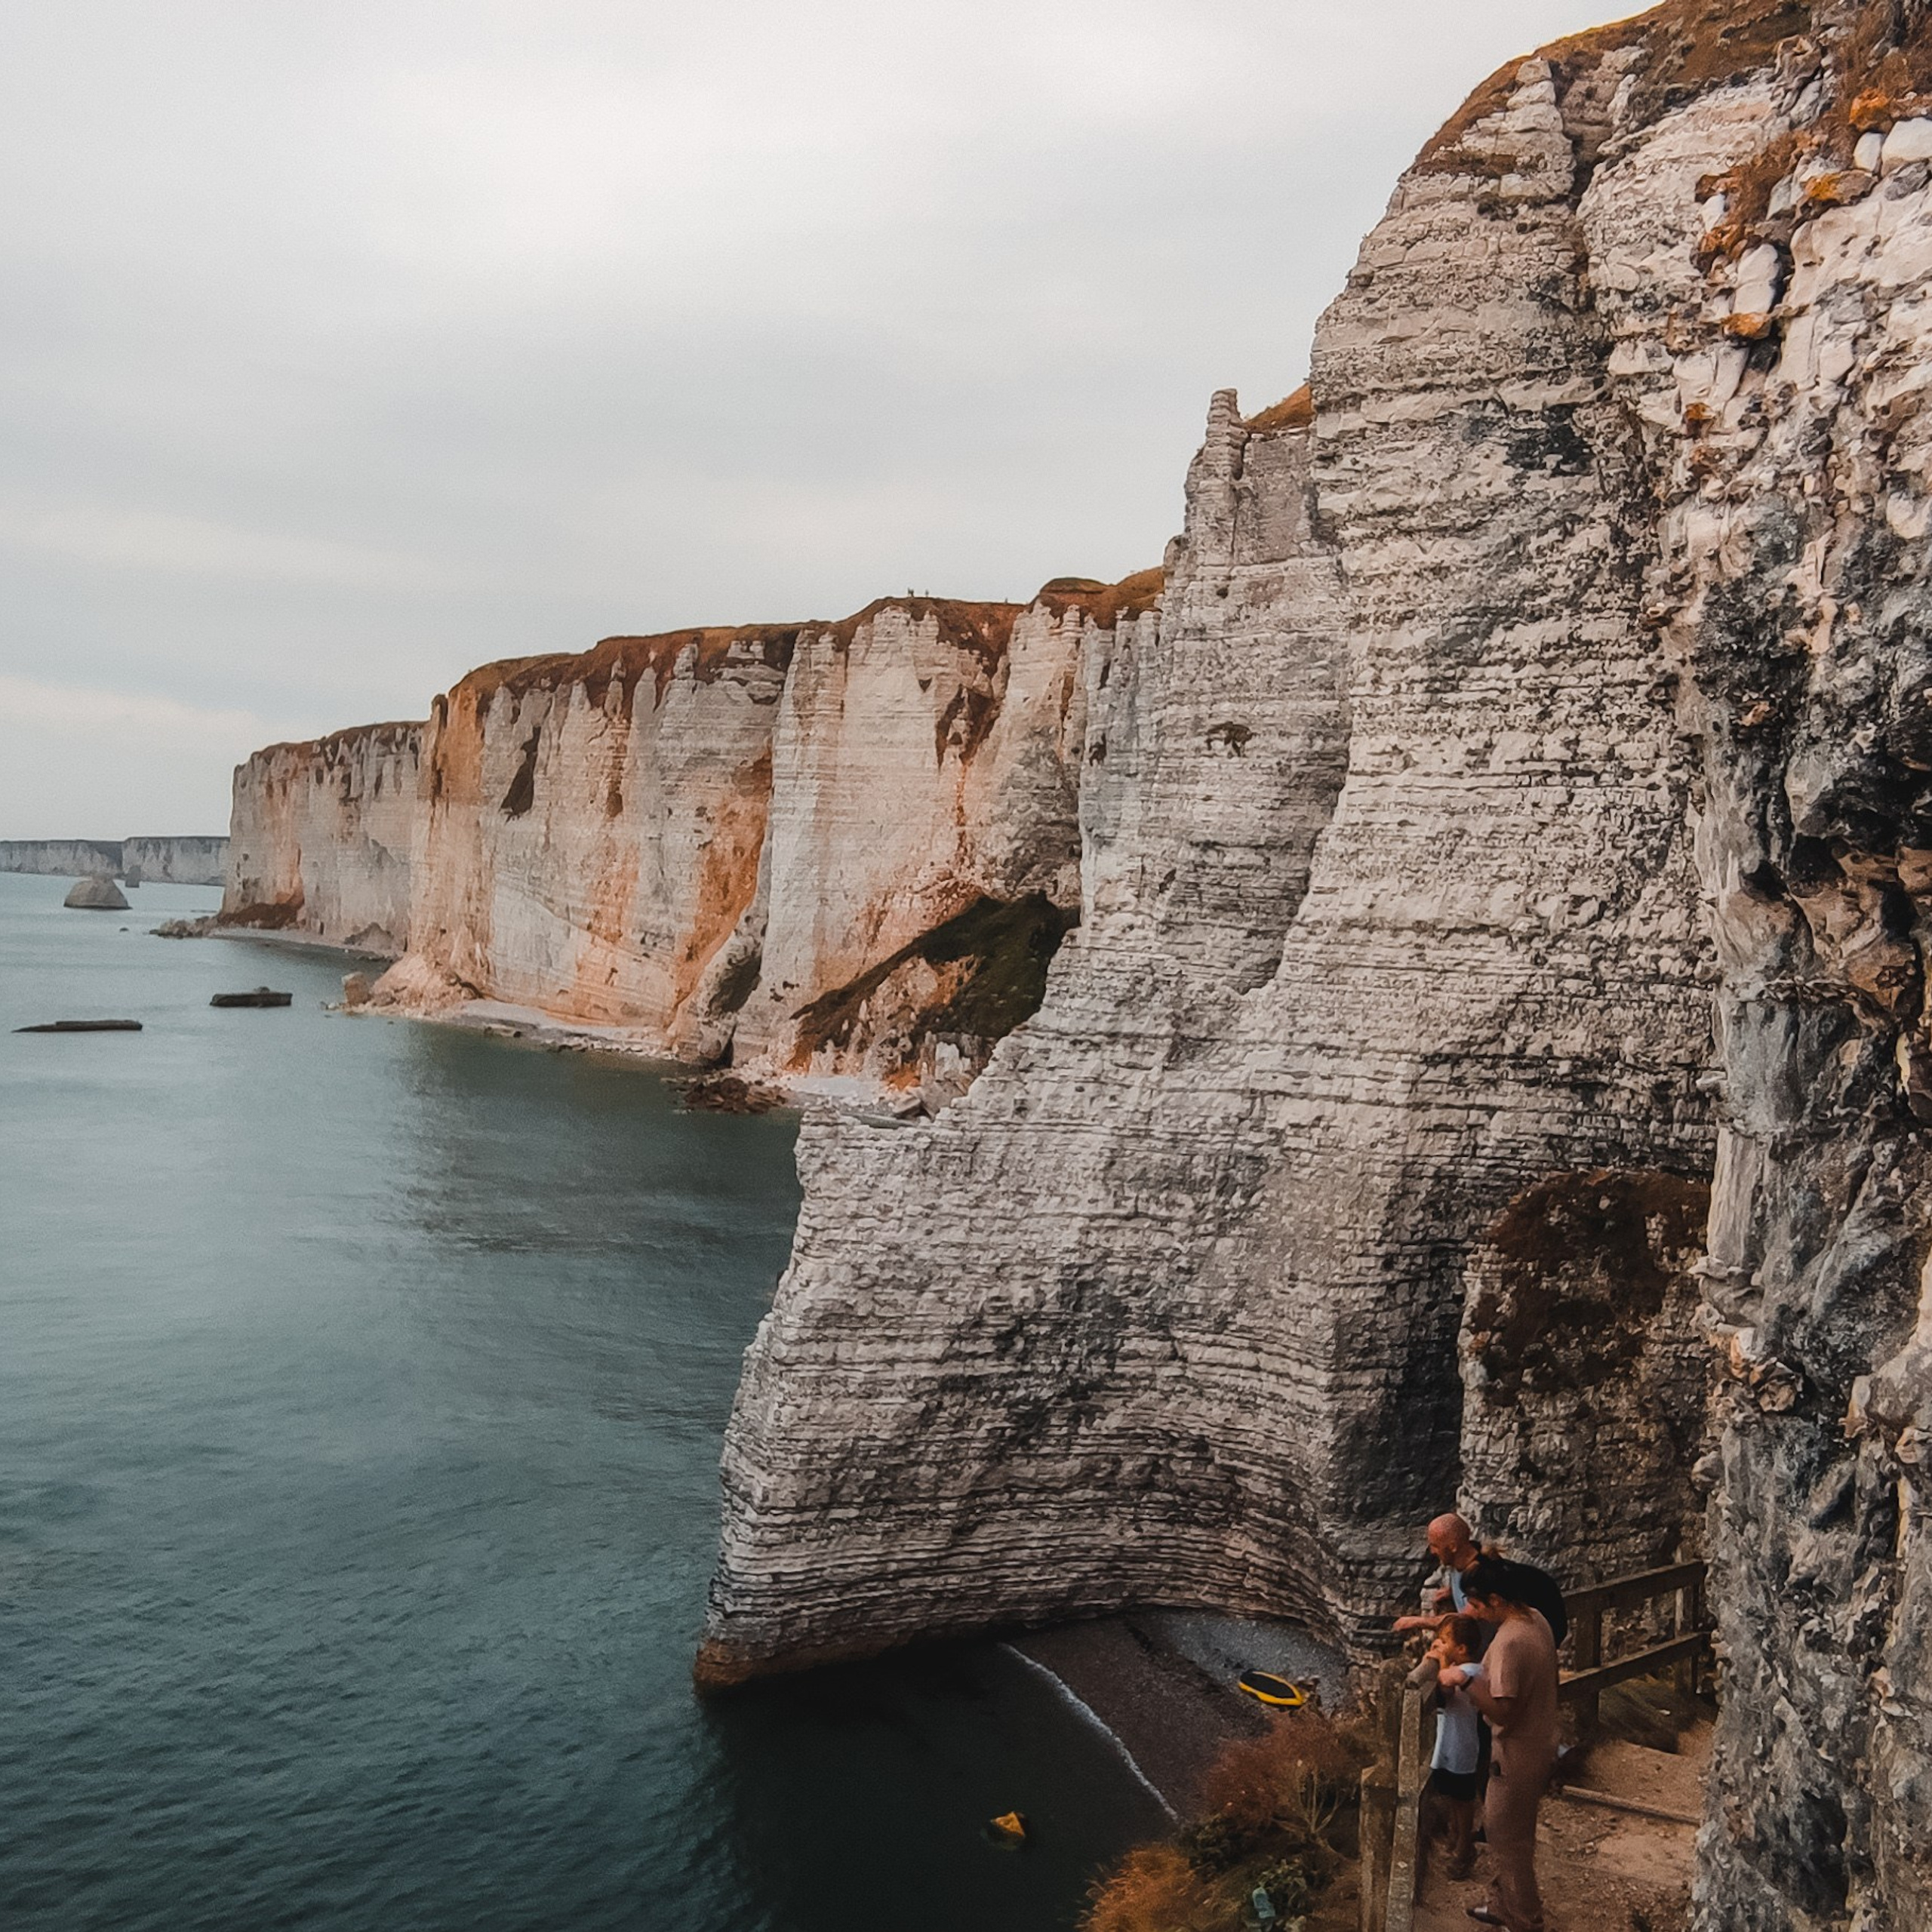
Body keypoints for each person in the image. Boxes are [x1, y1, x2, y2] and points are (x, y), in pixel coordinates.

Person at [1444, 1558, 1560, 1932]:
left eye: (1477, 1605)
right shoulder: (1535, 1618)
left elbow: (1504, 1711)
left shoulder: (1511, 1641)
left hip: (1518, 1752)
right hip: (1540, 1741)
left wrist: (1463, 1680)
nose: (1472, 1613)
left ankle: (1526, 1920)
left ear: (1496, 1600)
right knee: (1509, 1831)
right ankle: (1501, 1903)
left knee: (1507, 1837)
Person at [1426, 1614, 1486, 1879]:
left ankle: (1464, 1848)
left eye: (1445, 1640)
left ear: (1461, 1649)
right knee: (1453, 1795)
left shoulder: (1471, 1672)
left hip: (1463, 1745)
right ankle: (1456, 1833)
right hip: (1451, 1742)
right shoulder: (1464, 1668)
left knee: (1463, 1799)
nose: (1440, 1643)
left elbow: (1447, 1690)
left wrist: (1441, 1660)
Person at [1394, 1512, 1484, 1634]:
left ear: (1453, 1547)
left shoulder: (1482, 1575)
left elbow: (1465, 1620)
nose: (1432, 1551)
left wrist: (1416, 1621)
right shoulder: (1457, 1562)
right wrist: (1453, 1591)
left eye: (1435, 1546)